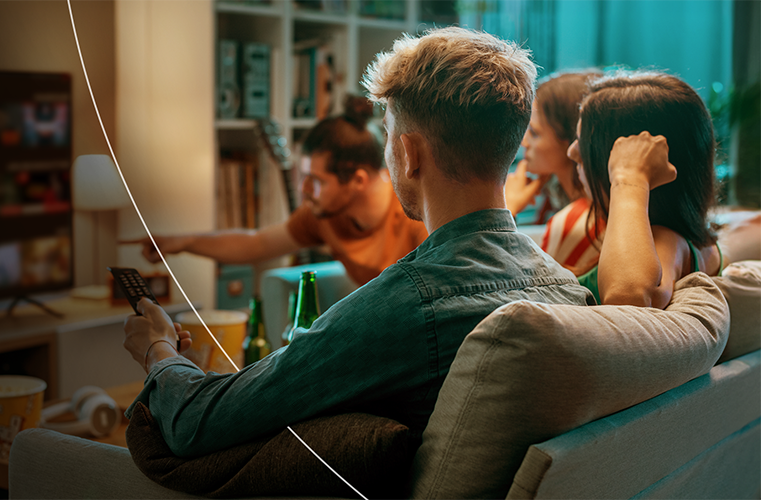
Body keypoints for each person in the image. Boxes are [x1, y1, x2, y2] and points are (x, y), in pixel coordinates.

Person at [119, 27, 593, 458]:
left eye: (388, 135)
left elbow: (195, 423)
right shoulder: (570, 291)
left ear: (408, 154)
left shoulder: (408, 302)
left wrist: (158, 349)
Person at [125, 97, 427, 286]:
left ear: (358, 180)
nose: (303, 189)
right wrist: (184, 242)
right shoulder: (323, 214)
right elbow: (256, 244)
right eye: (302, 176)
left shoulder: (416, 218)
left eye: (315, 180)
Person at [567, 71, 723, 308]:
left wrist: (630, 178)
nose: (572, 152)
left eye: (584, 144)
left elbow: (628, 297)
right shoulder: (701, 245)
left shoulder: (667, 239)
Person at [503, 71, 603, 276]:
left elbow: (526, 289)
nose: (524, 143)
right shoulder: (595, 208)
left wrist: (507, 210)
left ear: (571, 142)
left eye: (535, 133)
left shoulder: (576, 222)